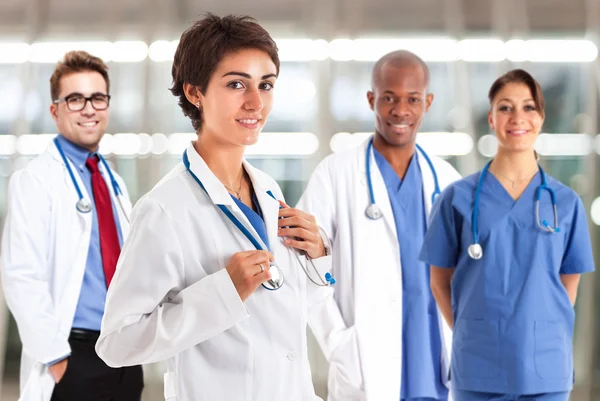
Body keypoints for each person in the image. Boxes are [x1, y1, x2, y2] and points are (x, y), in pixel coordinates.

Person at [95, 13, 336, 401]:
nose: (256, 102)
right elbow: (118, 343)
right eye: (236, 84)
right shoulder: (164, 209)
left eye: (266, 84)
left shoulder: (269, 191)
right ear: (195, 92)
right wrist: (223, 291)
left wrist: (318, 258)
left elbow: (284, 309)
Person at [419, 69, 595, 401]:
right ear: (491, 118)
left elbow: (569, 280)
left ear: (541, 118)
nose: (518, 117)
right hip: (478, 365)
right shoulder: (457, 198)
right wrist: (473, 328)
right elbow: (438, 280)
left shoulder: (565, 203)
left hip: (546, 367)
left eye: (529, 107)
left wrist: (541, 324)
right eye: (505, 107)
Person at [297, 50, 461, 401]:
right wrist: (340, 345)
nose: (401, 111)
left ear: (428, 102)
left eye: (412, 99)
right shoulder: (335, 175)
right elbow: (304, 268)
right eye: (389, 98)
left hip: (437, 366)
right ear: (371, 99)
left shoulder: (448, 181)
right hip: (364, 369)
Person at [0, 50, 142, 401]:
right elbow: (21, 275)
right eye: (76, 99)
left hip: (124, 353)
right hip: (73, 355)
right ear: (55, 110)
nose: (89, 109)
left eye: (97, 98)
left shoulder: (112, 182)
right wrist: (56, 358)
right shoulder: (34, 180)